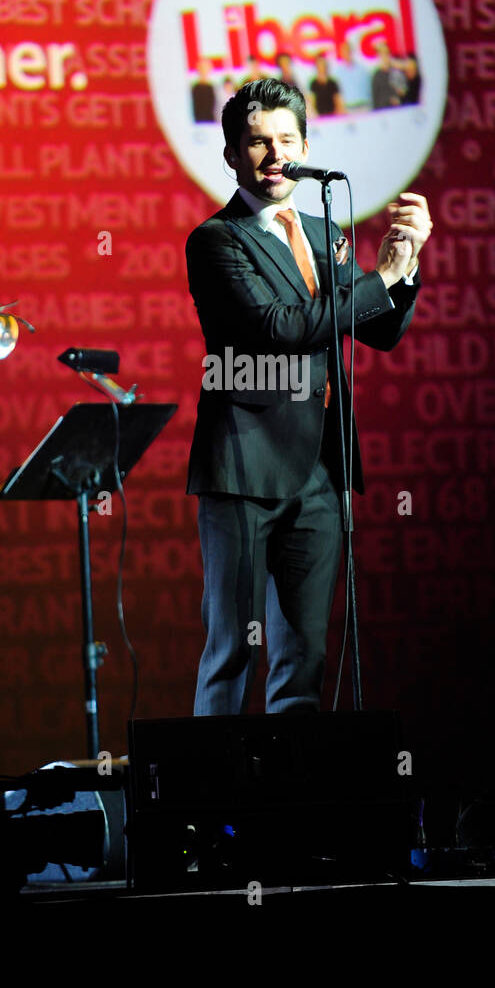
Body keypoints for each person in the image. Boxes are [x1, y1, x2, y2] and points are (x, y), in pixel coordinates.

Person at [185, 79, 432, 715]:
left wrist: (404, 267)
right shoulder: (218, 239)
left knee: (304, 654)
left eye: (286, 140)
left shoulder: (324, 229)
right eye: (257, 142)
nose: (274, 155)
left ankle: (290, 803)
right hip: (243, 467)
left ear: (305, 145)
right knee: (232, 651)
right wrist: (379, 280)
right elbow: (279, 330)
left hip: (320, 468)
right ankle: (212, 807)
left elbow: (377, 330)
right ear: (231, 155)